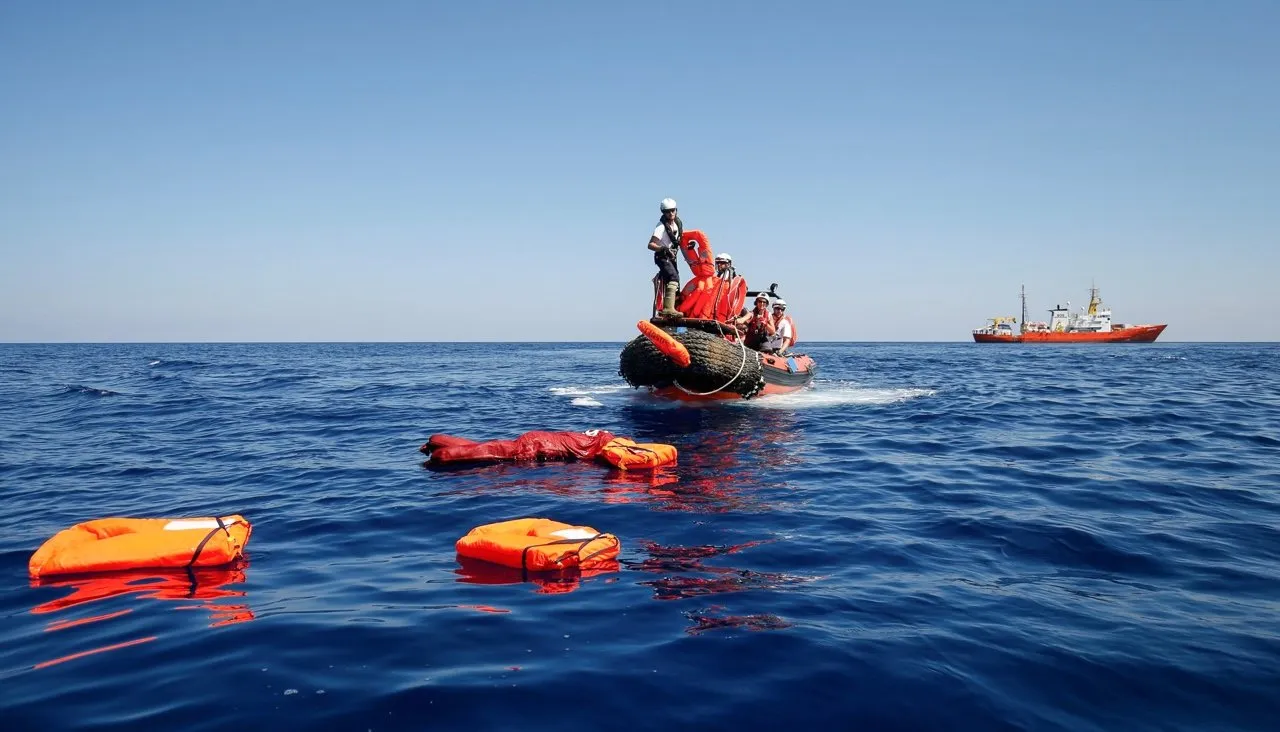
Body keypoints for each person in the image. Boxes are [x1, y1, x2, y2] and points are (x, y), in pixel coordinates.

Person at [648, 198, 683, 318]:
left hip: (672, 257)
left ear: (676, 210)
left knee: (676, 282)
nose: (671, 213)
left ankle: (674, 307)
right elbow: (650, 245)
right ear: (663, 212)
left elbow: (678, 239)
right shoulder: (661, 226)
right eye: (668, 211)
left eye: (673, 210)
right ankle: (668, 308)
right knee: (673, 277)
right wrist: (663, 249)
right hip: (662, 257)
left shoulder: (677, 224)